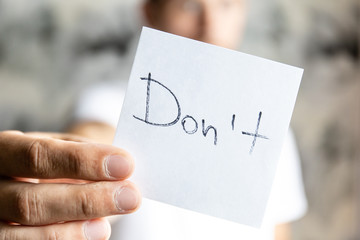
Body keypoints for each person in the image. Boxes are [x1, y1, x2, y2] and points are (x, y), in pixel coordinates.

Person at [69, 0, 307, 240]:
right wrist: (82, 171)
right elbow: (92, 141)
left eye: (226, 5)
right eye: (190, 6)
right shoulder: (108, 105)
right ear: (150, 13)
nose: (210, 25)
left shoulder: (271, 130)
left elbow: (279, 233)